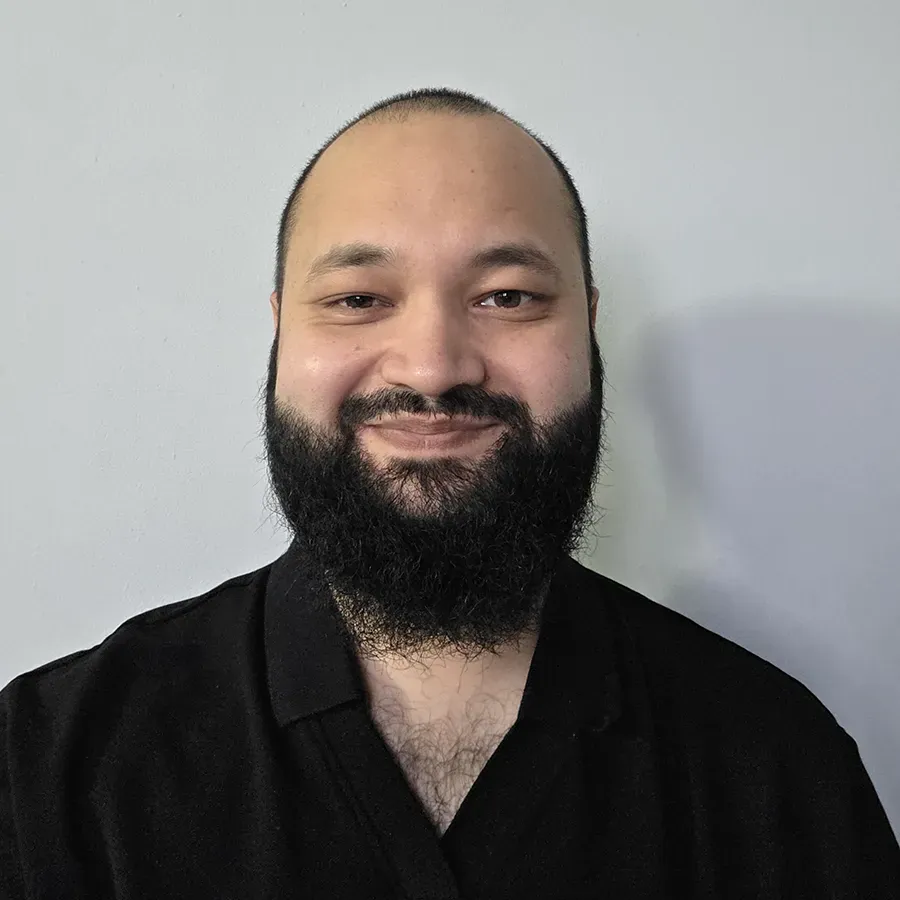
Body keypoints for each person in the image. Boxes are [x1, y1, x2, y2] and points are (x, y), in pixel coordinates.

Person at [1, 87, 898, 899]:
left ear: (588, 326)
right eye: (358, 298)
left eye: (507, 296)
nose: (433, 366)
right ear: (280, 332)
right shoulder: (48, 771)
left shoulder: (775, 765)